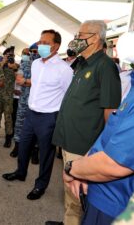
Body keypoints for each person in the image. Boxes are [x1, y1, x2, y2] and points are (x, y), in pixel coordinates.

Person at [49, 20, 122, 225]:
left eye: (82, 34)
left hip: (84, 145)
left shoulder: (105, 66)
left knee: (78, 197)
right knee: (70, 193)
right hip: (69, 139)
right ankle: (68, 221)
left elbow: (110, 111)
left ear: (96, 37)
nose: (77, 38)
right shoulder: (82, 62)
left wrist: (103, 151)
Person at [2, 29, 73, 201]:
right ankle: (20, 172)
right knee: (23, 146)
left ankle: (40, 185)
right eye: (40, 42)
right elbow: (37, 84)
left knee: (45, 154)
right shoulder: (36, 64)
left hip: (49, 117)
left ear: (56, 46)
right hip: (31, 113)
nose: (41, 45)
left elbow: (67, 95)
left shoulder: (64, 69)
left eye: (46, 43)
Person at [0, 46, 18, 147]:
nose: (10, 57)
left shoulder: (16, 66)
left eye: (12, 55)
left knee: (8, 118)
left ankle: (8, 138)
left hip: (8, 97)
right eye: (8, 55)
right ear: (4, 56)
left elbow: (19, 75)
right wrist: (3, 62)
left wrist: (13, 67)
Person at [10, 47, 33, 157]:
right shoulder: (24, 65)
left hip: (37, 103)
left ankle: (34, 152)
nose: (31, 54)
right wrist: (32, 82)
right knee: (19, 124)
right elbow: (19, 81)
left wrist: (27, 81)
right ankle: (17, 147)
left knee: (36, 127)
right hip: (23, 100)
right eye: (30, 52)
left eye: (34, 52)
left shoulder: (45, 67)